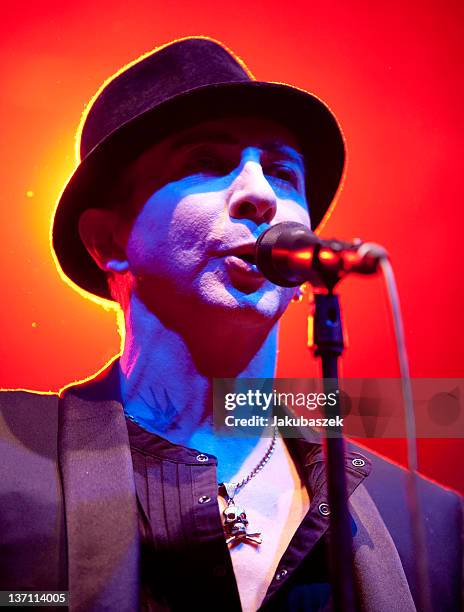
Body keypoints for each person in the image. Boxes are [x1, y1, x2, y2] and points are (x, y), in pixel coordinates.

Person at [0, 37, 461, 612]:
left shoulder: (431, 525)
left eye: (282, 173)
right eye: (207, 164)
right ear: (108, 241)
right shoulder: (11, 454)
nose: (259, 194)